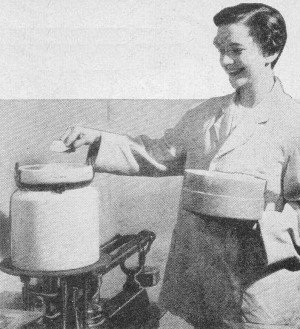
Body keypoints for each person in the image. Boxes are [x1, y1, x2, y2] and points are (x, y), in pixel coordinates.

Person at [60, 3, 300, 328]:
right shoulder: (205, 116)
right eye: (220, 50)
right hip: (199, 276)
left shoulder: (293, 122)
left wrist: (268, 217)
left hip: (257, 284)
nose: (225, 61)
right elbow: (156, 154)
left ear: (270, 51)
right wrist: (97, 140)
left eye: (236, 50)